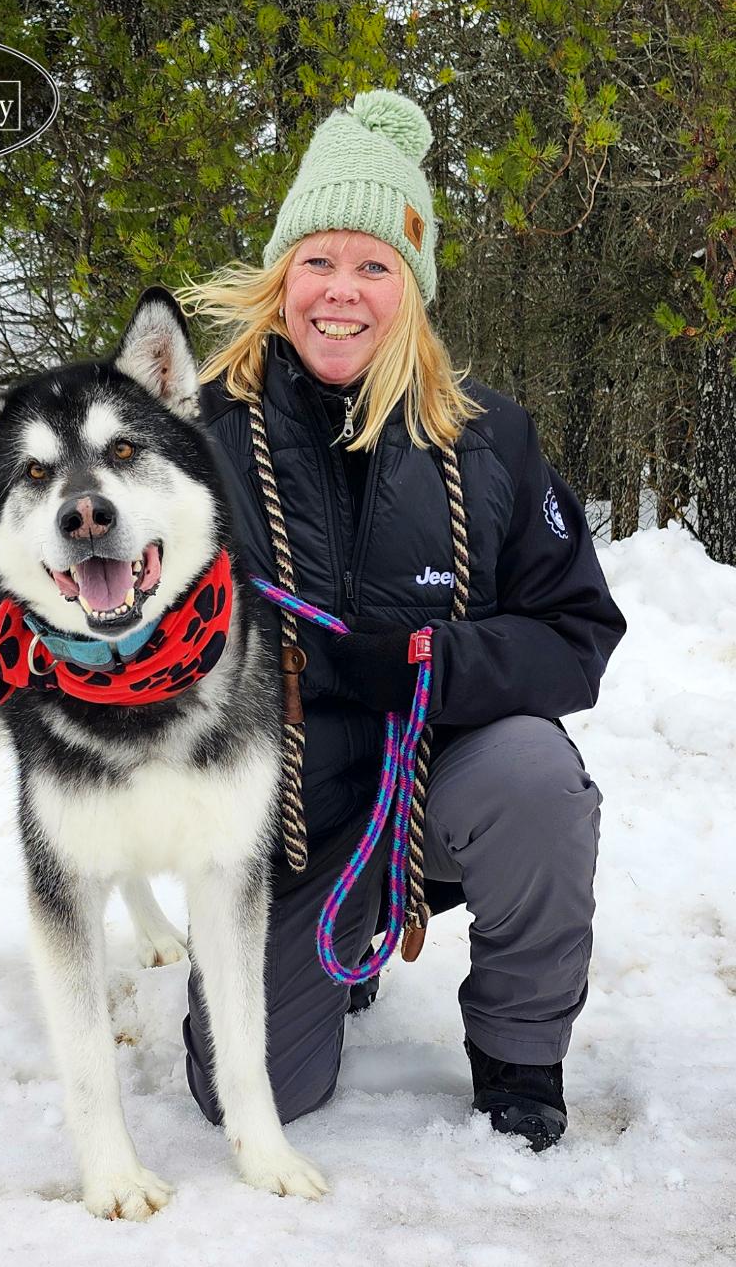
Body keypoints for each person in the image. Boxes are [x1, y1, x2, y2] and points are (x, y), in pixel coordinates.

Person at [177, 89, 626, 1152]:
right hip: (274, 829)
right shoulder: (187, 435)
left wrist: (421, 660)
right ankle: (333, 944)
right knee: (254, 1101)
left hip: (430, 797)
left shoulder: (490, 439)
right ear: (278, 276)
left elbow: (576, 636)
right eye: (319, 261)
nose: (342, 293)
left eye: (375, 267)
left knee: (535, 778)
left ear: (412, 293)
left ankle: (519, 1054)